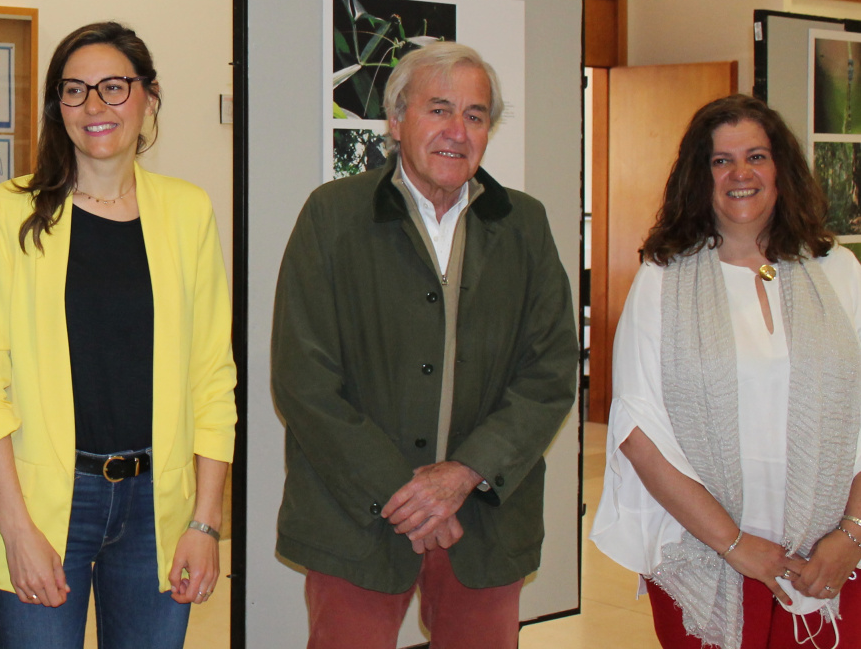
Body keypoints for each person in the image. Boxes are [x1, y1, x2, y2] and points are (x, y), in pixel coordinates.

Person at [272, 41, 578, 649]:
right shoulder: (332, 216)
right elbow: (303, 377)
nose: (456, 131)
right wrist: (404, 492)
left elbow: (550, 372)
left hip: (486, 518)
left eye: (475, 114)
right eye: (438, 109)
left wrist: (461, 476)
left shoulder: (524, 225)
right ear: (396, 119)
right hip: (355, 515)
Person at [0, 21, 237, 649]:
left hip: (158, 510)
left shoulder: (189, 212)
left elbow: (213, 378)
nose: (95, 106)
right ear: (58, 107)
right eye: (75, 91)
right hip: (43, 506)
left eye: (114, 87)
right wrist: (15, 527)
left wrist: (206, 523)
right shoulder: (13, 210)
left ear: (148, 96)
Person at [593, 94, 861, 648]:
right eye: (721, 160)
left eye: (756, 156)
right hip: (703, 556)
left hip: (829, 559)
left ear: (781, 168)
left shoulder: (838, 272)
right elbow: (638, 434)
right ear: (700, 176)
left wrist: (852, 535)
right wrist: (735, 544)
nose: (740, 173)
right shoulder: (662, 280)